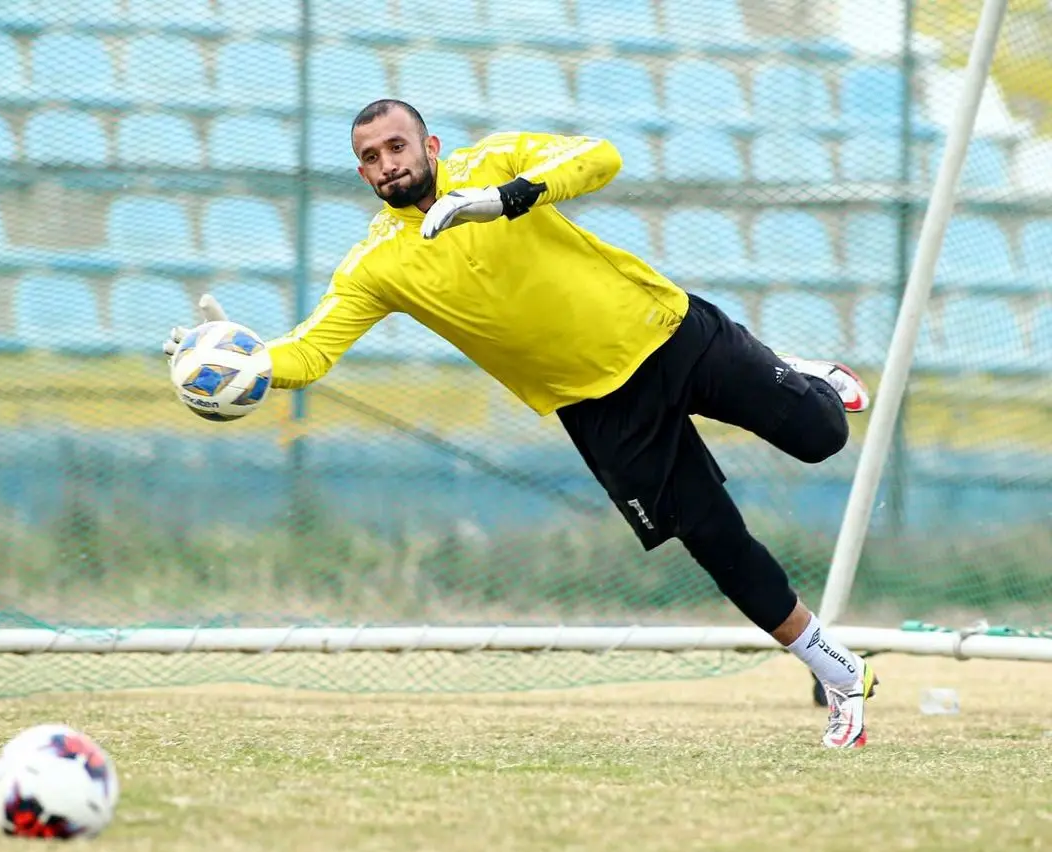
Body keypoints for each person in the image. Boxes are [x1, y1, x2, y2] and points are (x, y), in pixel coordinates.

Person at [163, 99, 879, 749]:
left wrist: (503, 201)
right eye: (372, 158)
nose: (388, 164)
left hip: (663, 329)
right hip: (598, 408)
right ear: (363, 173)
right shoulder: (375, 264)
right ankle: (839, 675)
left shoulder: (495, 162)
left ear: (430, 144)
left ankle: (792, 369)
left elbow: (601, 154)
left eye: (397, 146)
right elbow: (313, 351)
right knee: (715, 540)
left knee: (821, 438)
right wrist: (241, 361)